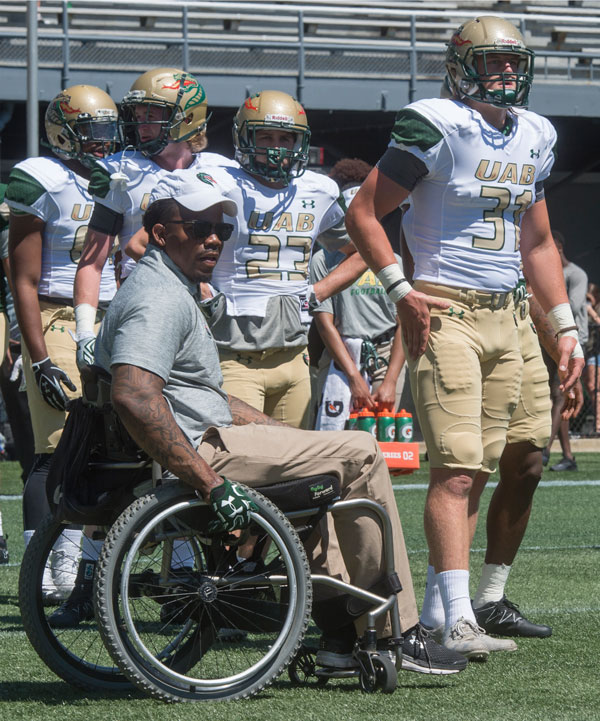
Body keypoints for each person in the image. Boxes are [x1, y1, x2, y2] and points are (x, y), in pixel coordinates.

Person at [92, 173, 468, 676]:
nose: (213, 239)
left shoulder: (170, 286)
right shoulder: (158, 297)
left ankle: (339, 636)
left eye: (221, 231)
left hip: (207, 434)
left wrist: (279, 432)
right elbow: (134, 395)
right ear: (160, 234)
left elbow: (201, 394)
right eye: (199, 227)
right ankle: (396, 630)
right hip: (203, 452)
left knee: (323, 461)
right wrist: (211, 485)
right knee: (361, 451)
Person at [345, 16, 584, 660]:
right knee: (456, 468)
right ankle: (450, 622)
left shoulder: (535, 132)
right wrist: (401, 290)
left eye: (514, 64)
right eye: (493, 63)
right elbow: (364, 211)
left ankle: (450, 612)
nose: (507, 75)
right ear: (459, 66)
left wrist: (564, 327)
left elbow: (536, 241)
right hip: (446, 308)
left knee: (520, 458)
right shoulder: (438, 123)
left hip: (511, 315)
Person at [5, 85, 120, 600]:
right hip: (57, 315)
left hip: (116, 316)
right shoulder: (42, 178)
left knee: (114, 449)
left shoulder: (121, 176)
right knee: (56, 451)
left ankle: (93, 567)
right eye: (90, 136)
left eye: (106, 135)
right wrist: (41, 357)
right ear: (63, 134)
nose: (101, 146)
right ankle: (49, 569)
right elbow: (23, 281)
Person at [197, 91, 367, 429]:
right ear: (244, 138)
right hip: (233, 353)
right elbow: (170, 247)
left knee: (291, 470)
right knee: (240, 460)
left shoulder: (318, 190)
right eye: (265, 136)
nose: (276, 147)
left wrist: (316, 292)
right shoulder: (221, 183)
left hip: (293, 355)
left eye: (285, 139)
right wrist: (202, 288)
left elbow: (360, 253)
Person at [72, 66, 233, 367]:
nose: (141, 124)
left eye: (152, 115)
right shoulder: (121, 172)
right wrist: (84, 332)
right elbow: (93, 262)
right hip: (142, 307)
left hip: (207, 314)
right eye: (138, 114)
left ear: (186, 117)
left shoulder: (221, 172)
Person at [310, 158, 406, 430]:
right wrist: (353, 376)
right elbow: (325, 323)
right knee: (334, 437)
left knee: (381, 435)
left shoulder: (392, 261)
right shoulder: (323, 259)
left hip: (385, 353)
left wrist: (390, 379)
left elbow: (403, 324)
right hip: (342, 354)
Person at [542, 230, 588, 471]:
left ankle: (546, 449)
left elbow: (573, 305)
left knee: (561, 395)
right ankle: (568, 456)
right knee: (559, 396)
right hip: (549, 337)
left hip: (573, 341)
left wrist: (544, 297)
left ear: (558, 248)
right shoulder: (548, 274)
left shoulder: (576, 274)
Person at [583, 282, 600, 433]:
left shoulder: (597, 309)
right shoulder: (584, 308)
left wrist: (592, 313)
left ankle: (599, 425)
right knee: (590, 388)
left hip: (597, 352)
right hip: (587, 352)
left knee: (596, 388)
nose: (588, 300)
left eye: (590, 297)